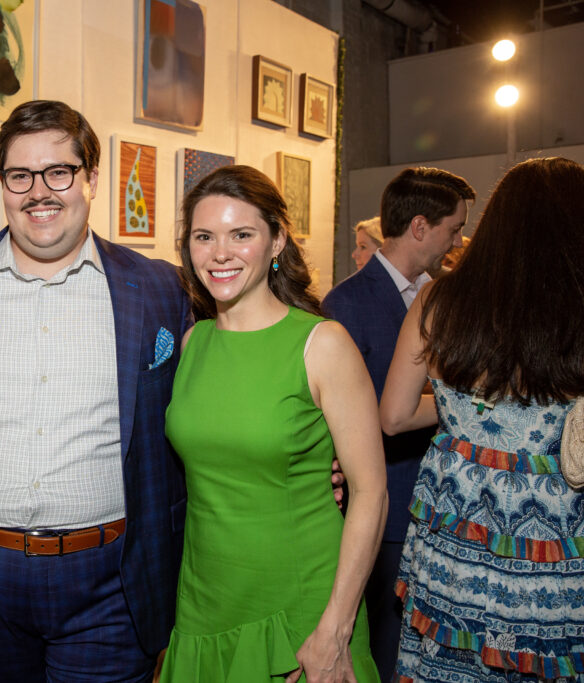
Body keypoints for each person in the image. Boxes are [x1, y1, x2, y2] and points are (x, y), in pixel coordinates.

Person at [0, 100, 193, 682]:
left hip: (112, 583)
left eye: (59, 172)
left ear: (91, 178)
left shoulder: (159, 287)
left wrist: (307, 452)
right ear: (2, 182)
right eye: (20, 175)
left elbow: (213, 388)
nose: (39, 192)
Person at [159, 165, 386, 682]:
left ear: (277, 239)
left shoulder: (322, 344)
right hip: (204, 599)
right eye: (204, 236)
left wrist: (335, 628)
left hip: (301, 605)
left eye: (241, 234)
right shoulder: (194, 343)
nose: (220, 253)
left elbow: (371, 492)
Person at [380, 157, 584, 683]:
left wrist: (460, 414)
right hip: (554, 532)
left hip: (460, 527)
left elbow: (395, 415)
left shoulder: (437, 299)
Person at [321, 166, 475, 682]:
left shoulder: (451, 297)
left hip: (449, 504)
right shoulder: (346, 303)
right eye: (452, 230)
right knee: (387, 645)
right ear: (419, 227)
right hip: (387, 505)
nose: (456, 243)